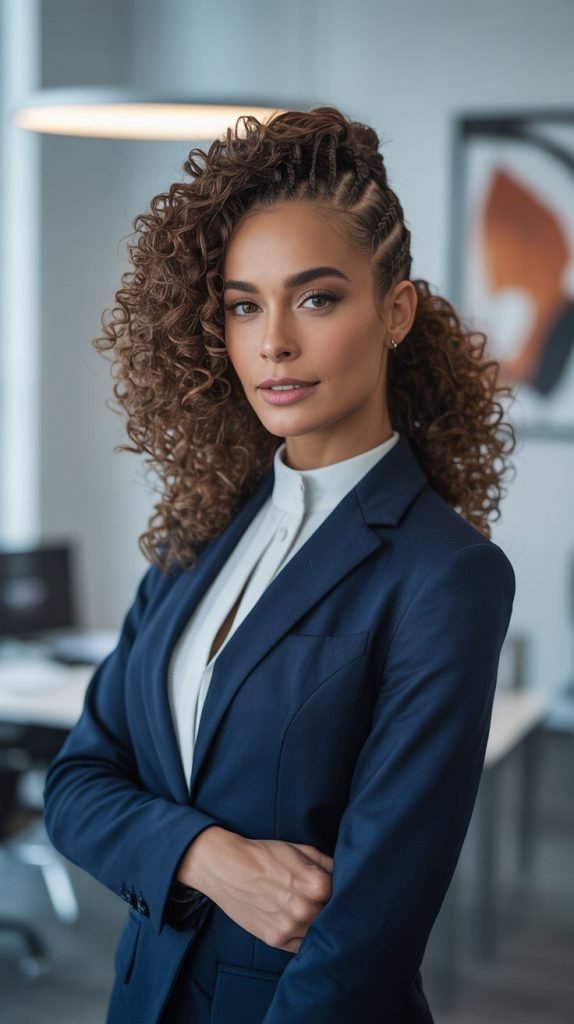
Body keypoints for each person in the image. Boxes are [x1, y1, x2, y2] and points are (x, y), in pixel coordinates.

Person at [43, 105, 517, 1024]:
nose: (274, 345)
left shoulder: (444, 575)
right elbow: (73, 787)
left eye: (317, 297)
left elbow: (370, 932)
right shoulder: (195, 536)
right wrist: (205, 855)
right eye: (243, 305)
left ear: (397, 311)